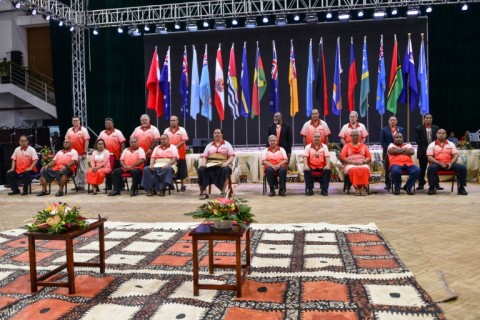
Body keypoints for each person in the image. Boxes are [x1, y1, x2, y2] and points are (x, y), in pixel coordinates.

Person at [426, 129, 468, 195]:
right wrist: (439, 163)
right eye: (439, 133)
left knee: (462, 168)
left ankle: (461, 188)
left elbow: (456, 155)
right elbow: (429, 157)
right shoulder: (432, 145)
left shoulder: (451, 144)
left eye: (443, 133)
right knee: (431, 168)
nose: (441, 135)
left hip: (449, 163)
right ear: (436, 135)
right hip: (437, 164)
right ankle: (431, 187)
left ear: (445, 135)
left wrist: (451, 163)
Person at [197, 129, 235, 200]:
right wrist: (203, 163)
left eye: (218, 133)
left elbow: (231, 157)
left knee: (226, 170)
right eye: (215, 133)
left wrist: (226, 163)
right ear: (213, 135)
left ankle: (223, 192)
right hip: (211, 165)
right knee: (201, 170)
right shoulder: (209, 145)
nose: (216, 134)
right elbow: (205, 157)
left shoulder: (227, 144)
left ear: (222, 135)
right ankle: (204, 192)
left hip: (222, 165)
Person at [340, 129, 371, 196]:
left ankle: (362, 188)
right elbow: (342, 157)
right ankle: (356, 188)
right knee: (353, 169)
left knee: (365, 169)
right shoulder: (346, 146)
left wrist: (363, 162)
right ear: (350, 136)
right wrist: (352, 162)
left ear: (359, 136)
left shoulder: (364, 146)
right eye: (353, 135)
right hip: (350, 164)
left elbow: (368, 157)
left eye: (356, 135)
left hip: (362, 163)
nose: (355, 137)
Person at [98, 118, 126, 190]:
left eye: (109, 123)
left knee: (117, 171)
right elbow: (98, 143)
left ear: (112, 124)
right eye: (106, 123)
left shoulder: (118, 132)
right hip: (106, 157)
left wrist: (121, 153)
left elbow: (122, 143)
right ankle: (108, 186)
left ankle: (121, 186)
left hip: (116, 156)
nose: (107, 124)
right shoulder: (102, 133)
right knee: (108, 171)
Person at [163, 115, 188, 191]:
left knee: (182, 169)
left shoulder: (182, 130)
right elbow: (164, 140)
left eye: (174, 120)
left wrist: (176, 147)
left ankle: (183, 185)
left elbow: (184, 140)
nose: (172, 122)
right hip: (170, 154)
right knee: (171, 168)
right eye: (171, 120)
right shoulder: (166, 130)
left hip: (180, 153)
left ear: (177, 121)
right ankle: (170, 184)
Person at [65, 116, 90, 191]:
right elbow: (66, 141)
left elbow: (87, 141)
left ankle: (82, 185)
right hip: (72, 154)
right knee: (74, 170)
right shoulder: (69, 130)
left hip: (81, 153)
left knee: (82, 170)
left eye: (77, 120)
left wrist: (85, 152)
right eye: (74, 120)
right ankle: (77, 184)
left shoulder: (84, 130)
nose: (75, 122)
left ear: (79, 121)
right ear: (72, 122)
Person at [380, 116, 406, 189]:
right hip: (387, 152)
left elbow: (403, 140)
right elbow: (382, 141)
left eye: (394, 120)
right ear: (388, 121)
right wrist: (389, 149)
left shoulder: (401, 129)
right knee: (387, 168)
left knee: (398, 168)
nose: (392, 121)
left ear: (396, 121)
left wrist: (397, 149)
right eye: (391, 120)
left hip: (398, 152)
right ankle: (387, 183)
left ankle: (398, 183)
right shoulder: (384, 130)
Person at [415, 113, 439, 190]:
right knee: (422, 169)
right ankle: (421, 184)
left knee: (435, 168)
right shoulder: (418, 128)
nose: (428, 119)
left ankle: (436, 184)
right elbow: (417, 140)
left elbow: (437, 139)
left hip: (434, 152)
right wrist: (427, 150)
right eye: (427, 118)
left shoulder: (436, 128)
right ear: (424, 119)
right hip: (422, 152)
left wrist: (432, 149)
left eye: (430, 118)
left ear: (432, 119)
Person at [303, 132, 331, 196]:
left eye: (318, 137)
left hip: (321, 167)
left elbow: (327, 156)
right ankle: (309, 189)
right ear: (312, 138)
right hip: (311, 166)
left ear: (321, 138)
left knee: (327, 170)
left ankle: (324, 190)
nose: (317, 138)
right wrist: (305, 165)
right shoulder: (308, 146)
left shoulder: (324, 146)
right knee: (306, 170)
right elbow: (305, 157)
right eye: (315, 137)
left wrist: (327, 165)